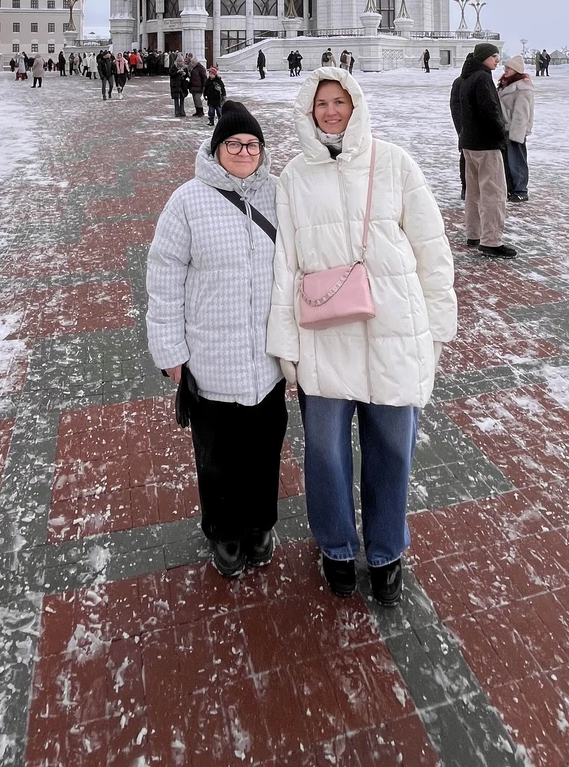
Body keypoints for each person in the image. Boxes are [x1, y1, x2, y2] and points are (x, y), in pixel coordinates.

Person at [268, 69, 457, 606]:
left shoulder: (394, 162)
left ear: (355, 105)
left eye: (339, 101)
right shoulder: (294, 176)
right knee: (325, 452)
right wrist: (286, 342)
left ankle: (386, 550)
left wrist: (438, 324)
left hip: (393, 328)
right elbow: (285, 264)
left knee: (392, 449)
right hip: (325, 332)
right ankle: (335, 546)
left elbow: (431, 246)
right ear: (308, 112)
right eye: (321, 103)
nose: (331, 111)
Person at [146, 102, 287, 578]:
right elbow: (164, 277)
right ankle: (224, 531)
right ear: (216, 148)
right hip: (211, 360)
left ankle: (260, 524)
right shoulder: (187, 201)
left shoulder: (278, 194)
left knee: (265, 450)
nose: (244, 152)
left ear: (262, 149)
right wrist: (170, 352)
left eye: (251, 144)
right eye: (233, 144)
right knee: (218, 457)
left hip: (267, 360)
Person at [456, 44, 516, 258]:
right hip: (486, 144)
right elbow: (490, 110)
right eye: (494, 56)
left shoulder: (465, 77)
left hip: (469, 143)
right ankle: (491, 241)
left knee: (473, 192)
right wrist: (500, 136)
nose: (497, 60)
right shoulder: (482, 78)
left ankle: (474, 233)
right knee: (494, 193)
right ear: (483, 58)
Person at [498, 56, 534, 202]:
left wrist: (517, 134)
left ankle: (520, 190)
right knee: (507, 162)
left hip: (515, 131)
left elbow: (521, 114)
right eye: (505, 67)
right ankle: (510, 189)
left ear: (516, 70)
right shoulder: (506, 85)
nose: (505, 70)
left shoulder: (522, 89)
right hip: (505, 129)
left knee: (517, 161)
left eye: (509, 68)